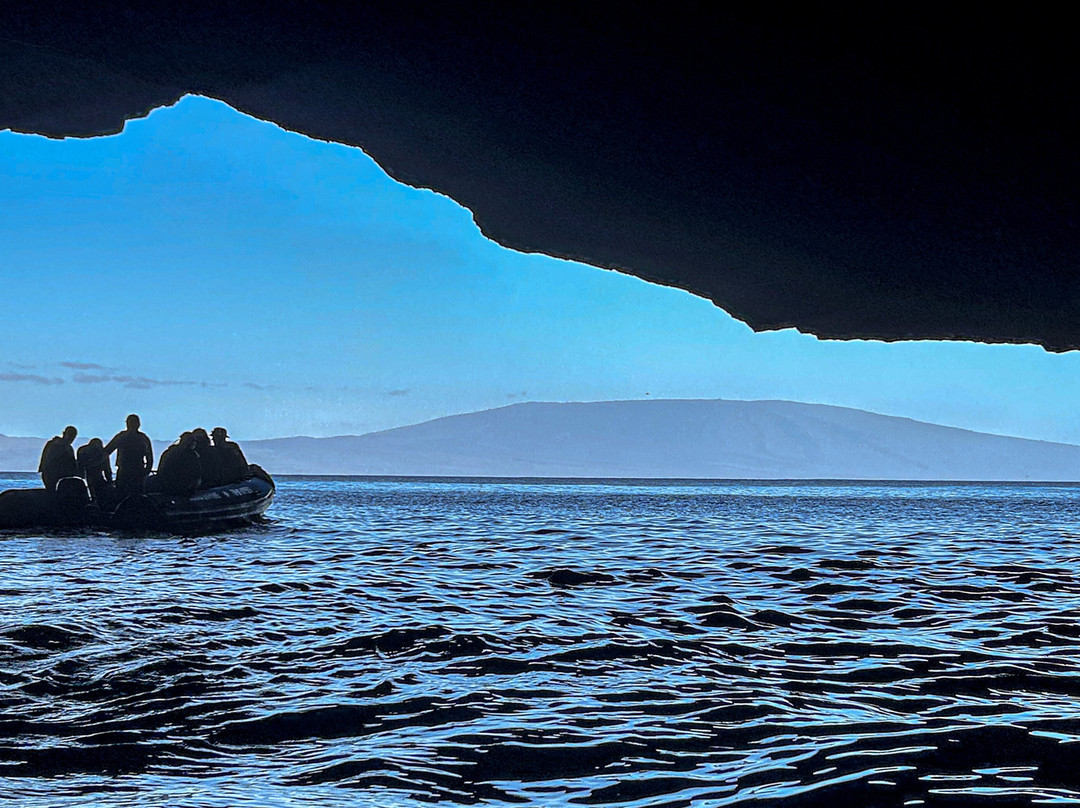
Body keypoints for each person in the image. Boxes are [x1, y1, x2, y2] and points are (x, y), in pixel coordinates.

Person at [104, 414, 153, 499]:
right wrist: (146, 471)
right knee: (135, 497)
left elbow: (106, 452)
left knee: (124, 497)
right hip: (133, 472)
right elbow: (150, 458)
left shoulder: (123, 437)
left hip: (130, 472)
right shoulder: (143, 438)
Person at [39, 426, 78, 491]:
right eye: (70, 436)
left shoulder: (51, 443)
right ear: (64, 434)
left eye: (73, 437)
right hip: (55, 475)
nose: (72, 439)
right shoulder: (66, 448)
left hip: (49, 475)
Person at [76, 437, 113, 504]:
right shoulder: (103, 453)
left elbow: (80, 467)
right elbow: (107, 470)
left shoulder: (82, 450)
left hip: (90, 477)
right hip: (95, 478)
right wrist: (110, 482)